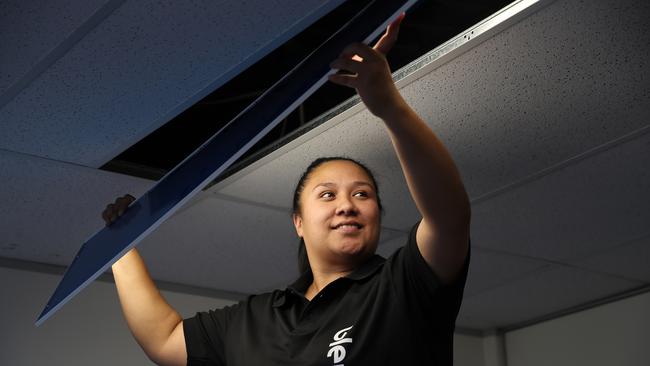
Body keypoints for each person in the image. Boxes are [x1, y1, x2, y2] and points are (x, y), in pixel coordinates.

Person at [103, 14, 471, 366]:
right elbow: (164, 340)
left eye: (362, 195)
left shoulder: (402, 287)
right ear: (298, 222)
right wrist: (119, 249)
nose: (347, 205)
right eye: (328, 195)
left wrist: (389, 105)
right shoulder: (256, 319)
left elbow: (448, 219)